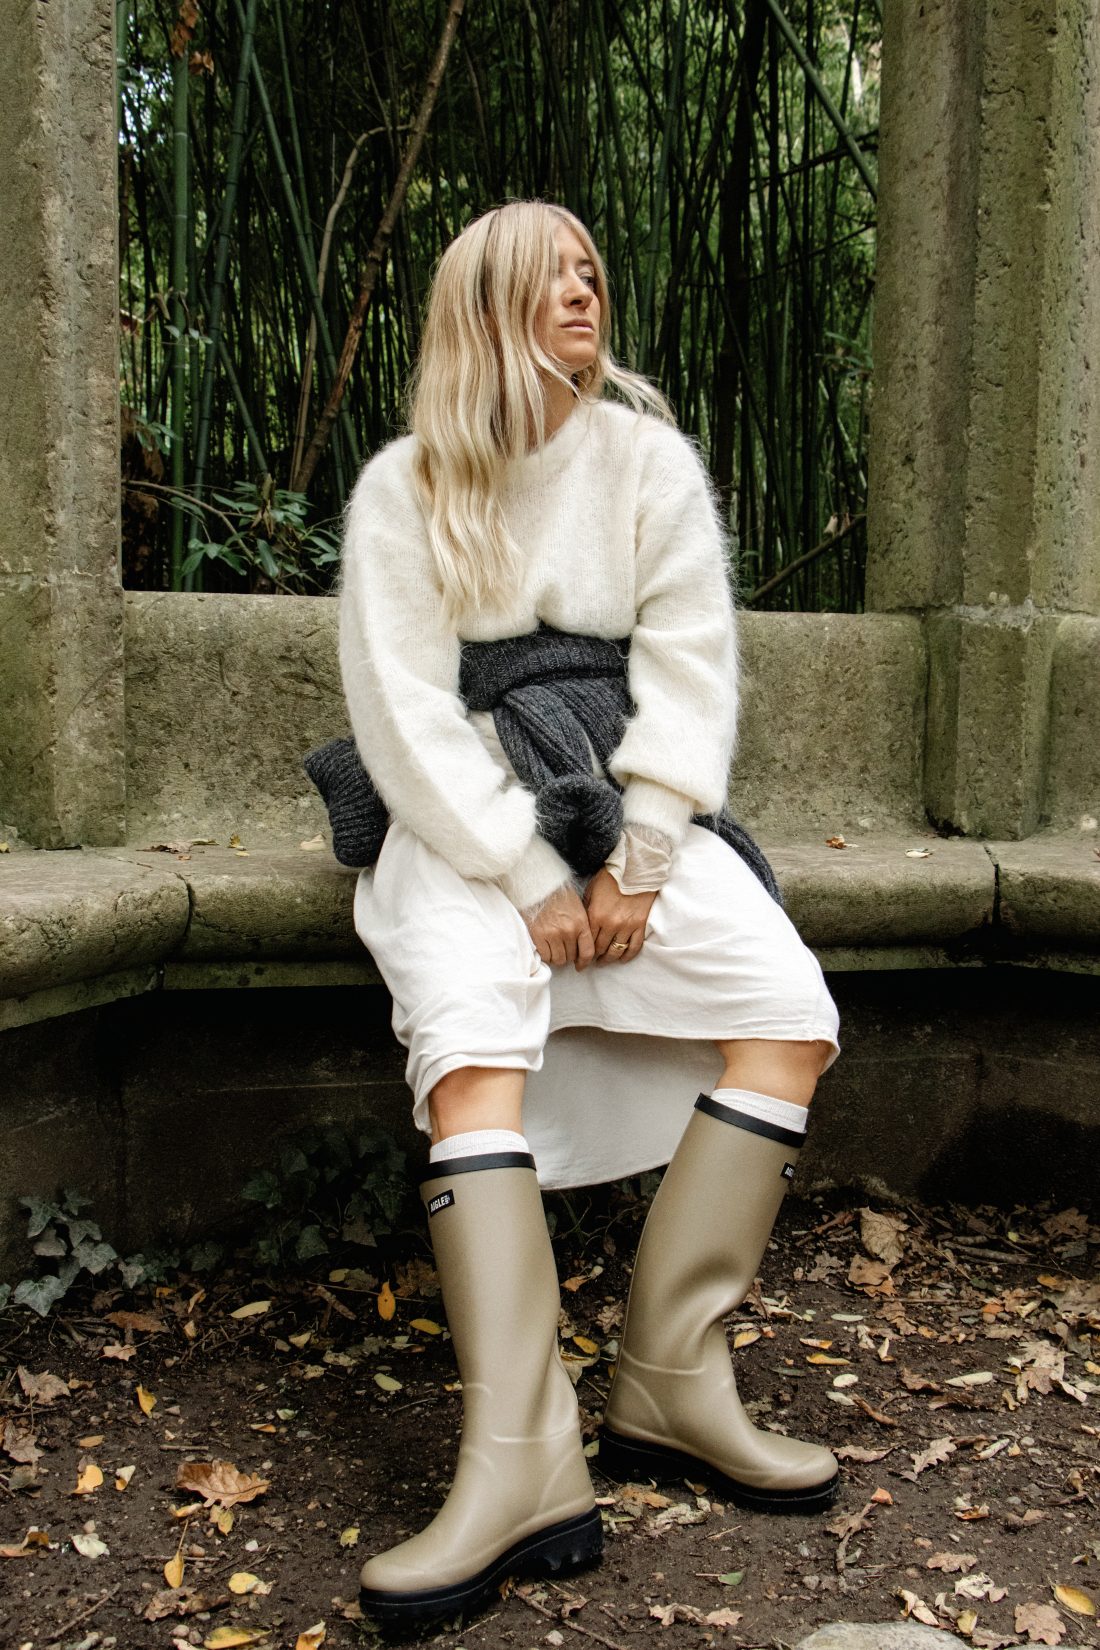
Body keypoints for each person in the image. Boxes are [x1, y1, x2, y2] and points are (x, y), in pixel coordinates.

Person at [337, 200, 841, 1628]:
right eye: (548, 273)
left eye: (591, 271)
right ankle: (522, 1461)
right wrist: (523, 869)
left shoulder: (646, 460)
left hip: (622, 795)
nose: (582, 290)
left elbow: (690, 667)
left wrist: (644, 852)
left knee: (787, 1011)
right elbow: (403, 710)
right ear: (482, 305)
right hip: (462, 813)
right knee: (468, 1044)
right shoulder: (405, 486)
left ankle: (672, 1377)